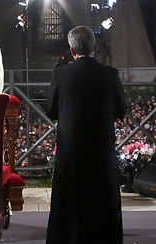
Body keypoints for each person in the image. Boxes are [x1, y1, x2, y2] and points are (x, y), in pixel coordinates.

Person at [44, 25, 126, 244]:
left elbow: (50, 110)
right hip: (101, 151)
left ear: (72, 50)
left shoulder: (61, 74)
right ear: (95, 48)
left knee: (68, 202)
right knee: (103, 201)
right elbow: (121, 110)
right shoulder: (110, 74)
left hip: (71, 152)